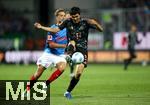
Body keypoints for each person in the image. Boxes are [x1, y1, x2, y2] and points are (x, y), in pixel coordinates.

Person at [34, 6, 103, 99]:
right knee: (72, 43)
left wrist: (96, 23)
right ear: (70, 16)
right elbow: (55, 30)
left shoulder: (86, 22)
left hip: (82, 50)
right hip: (71, 47)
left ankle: (67, 92)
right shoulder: (68, 22)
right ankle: (67, 57)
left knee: (78, 74)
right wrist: (41, 27)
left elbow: (101, 30)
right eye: (73, 17)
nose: (75, 19)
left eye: (76, 16)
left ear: (80, 15)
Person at [24, 8, 68, 95]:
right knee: (37, 74)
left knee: (62, 68)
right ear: (56, 17)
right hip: (49, 54)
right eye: (61, 16)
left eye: (64, 16)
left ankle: (46, 84)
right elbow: (51, 44)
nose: (62, 17)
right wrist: (65, 46)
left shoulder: (67, 28)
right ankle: (27, 90)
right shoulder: (51, 29)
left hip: (60, 55)